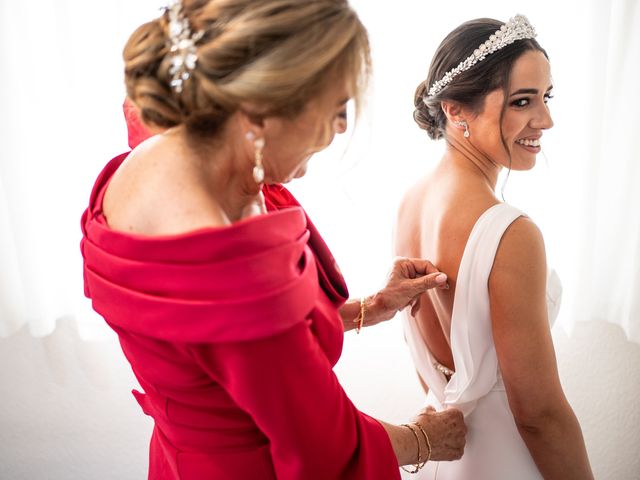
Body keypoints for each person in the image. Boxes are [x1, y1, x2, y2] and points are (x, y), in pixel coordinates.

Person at [80, 1, 466, 478]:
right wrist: (425, 438)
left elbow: (227, 350)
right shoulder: (227, 267)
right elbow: (324, 443)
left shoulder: (157, 154)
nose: (342, 127)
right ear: (262, 111)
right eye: (336, 107)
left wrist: (371, 306)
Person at [395, 14, 593, 480]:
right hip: (509, 461)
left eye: (546, 97)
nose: (545, 120)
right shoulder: (511, 232)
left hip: (449, 459)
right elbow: (540, 416)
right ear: (455, 109)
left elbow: (432, 375)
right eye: (523, 101)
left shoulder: (410, 203)